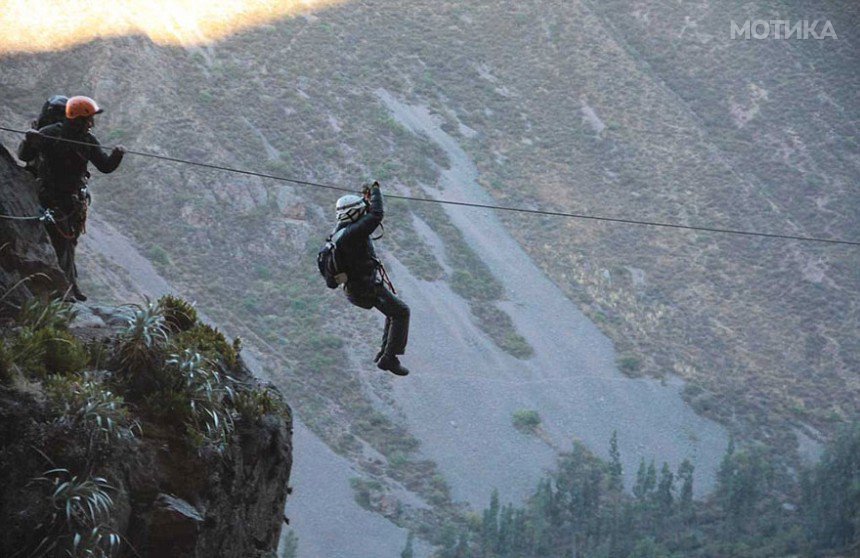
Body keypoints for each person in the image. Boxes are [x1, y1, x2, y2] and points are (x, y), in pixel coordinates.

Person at [17, 95, 125, 301]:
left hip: (71, 200)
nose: (91, 124)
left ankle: (70, 286)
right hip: (50, 196)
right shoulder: (51, 134)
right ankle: (64, 290)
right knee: (61, 242)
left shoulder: (87, 140)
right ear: (77, 119)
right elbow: (24, 155)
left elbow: (105, 166)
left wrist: (117, 155)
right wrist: (29, 141)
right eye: (89, 119)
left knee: (69, 242)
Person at [333, 181, 411, 376]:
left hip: (355, 287)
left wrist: (367, 199)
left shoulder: (342, 232)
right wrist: (375, 191)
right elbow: (376, 216)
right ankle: (389, 358)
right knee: (401, 312)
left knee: (393, 312)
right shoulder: (353, 234)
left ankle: (385, 354)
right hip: (365, 287)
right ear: (353, 214)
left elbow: (367, 216)